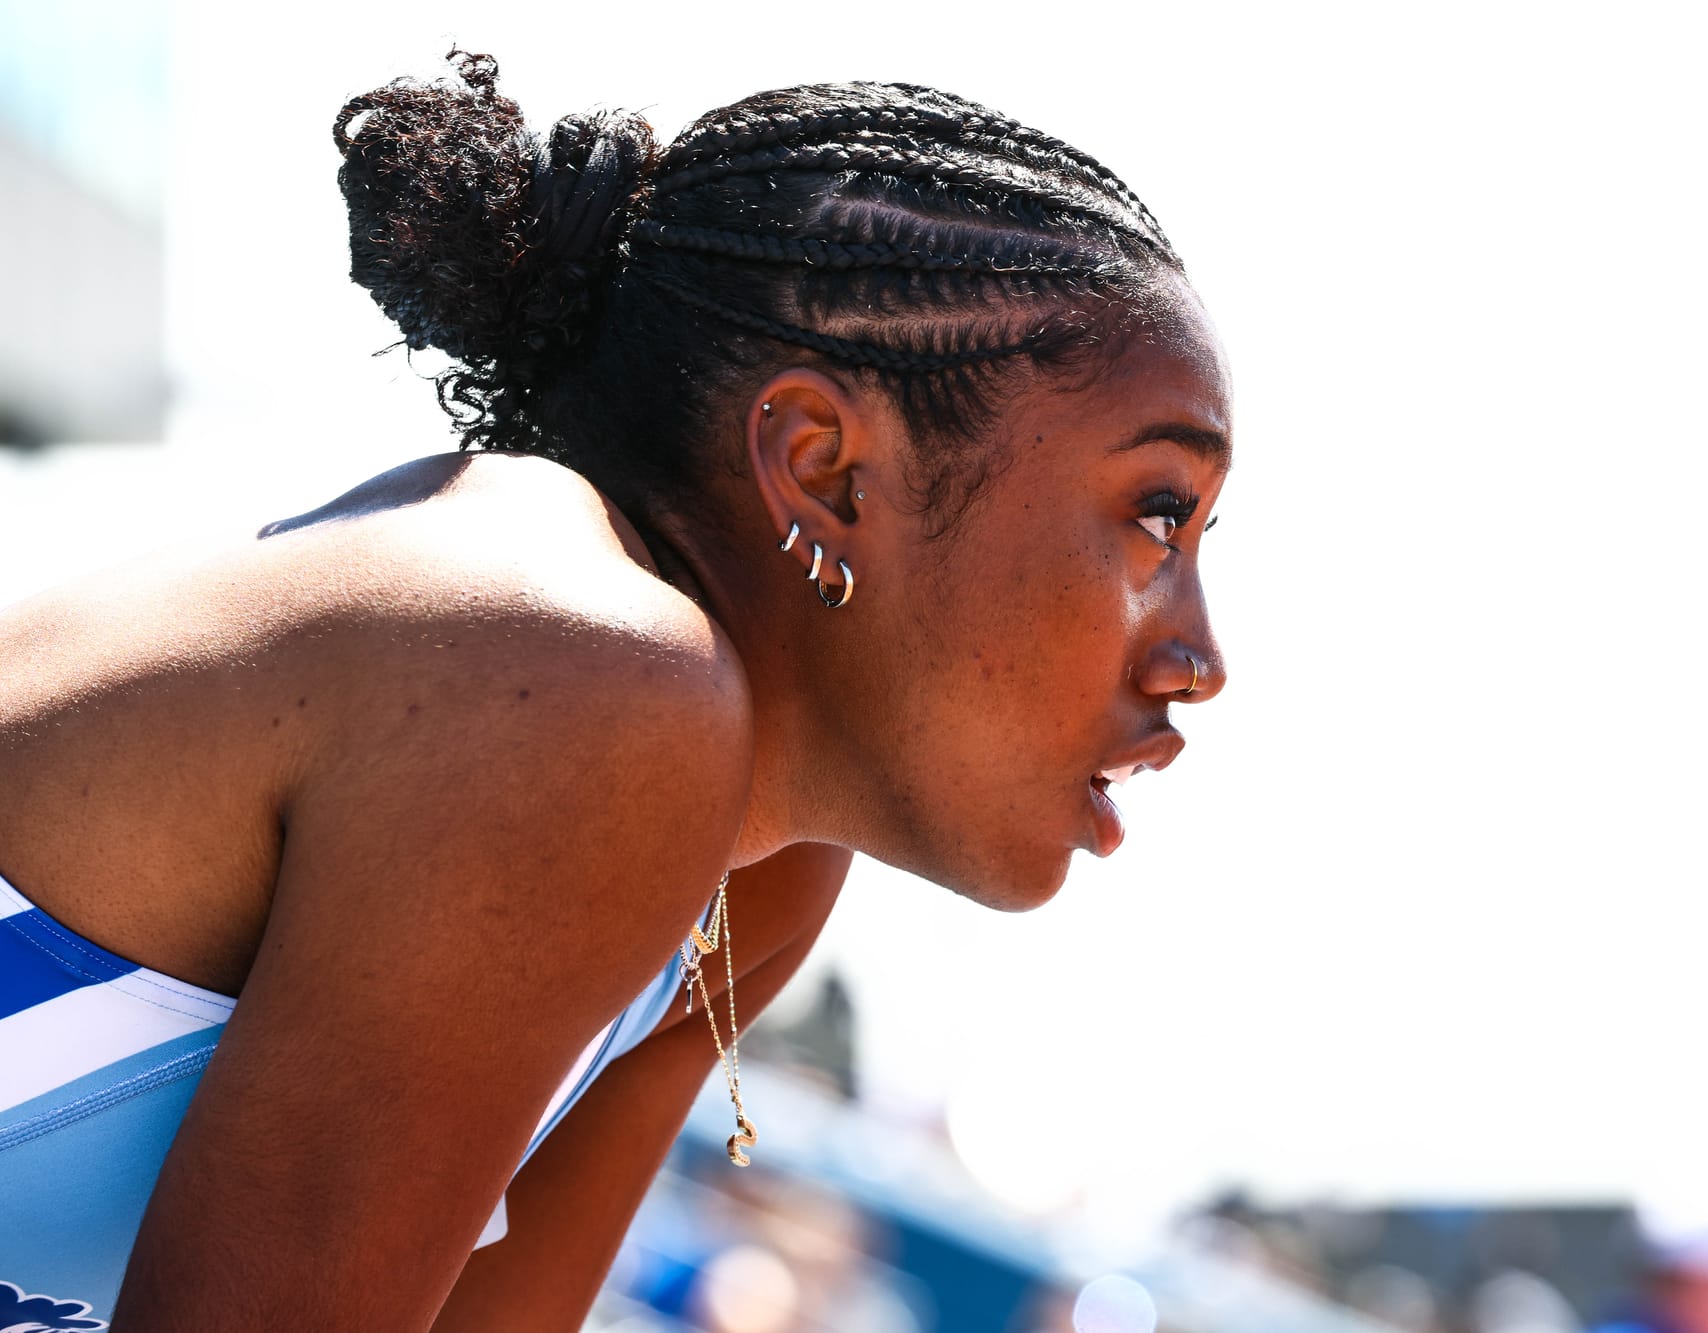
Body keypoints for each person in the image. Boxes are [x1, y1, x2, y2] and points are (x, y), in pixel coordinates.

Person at [0, 50, 1230, 1330]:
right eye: (1157, 514)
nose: (1199, 657)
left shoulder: (757, 865)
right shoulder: (571, 675)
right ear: (823, 467)